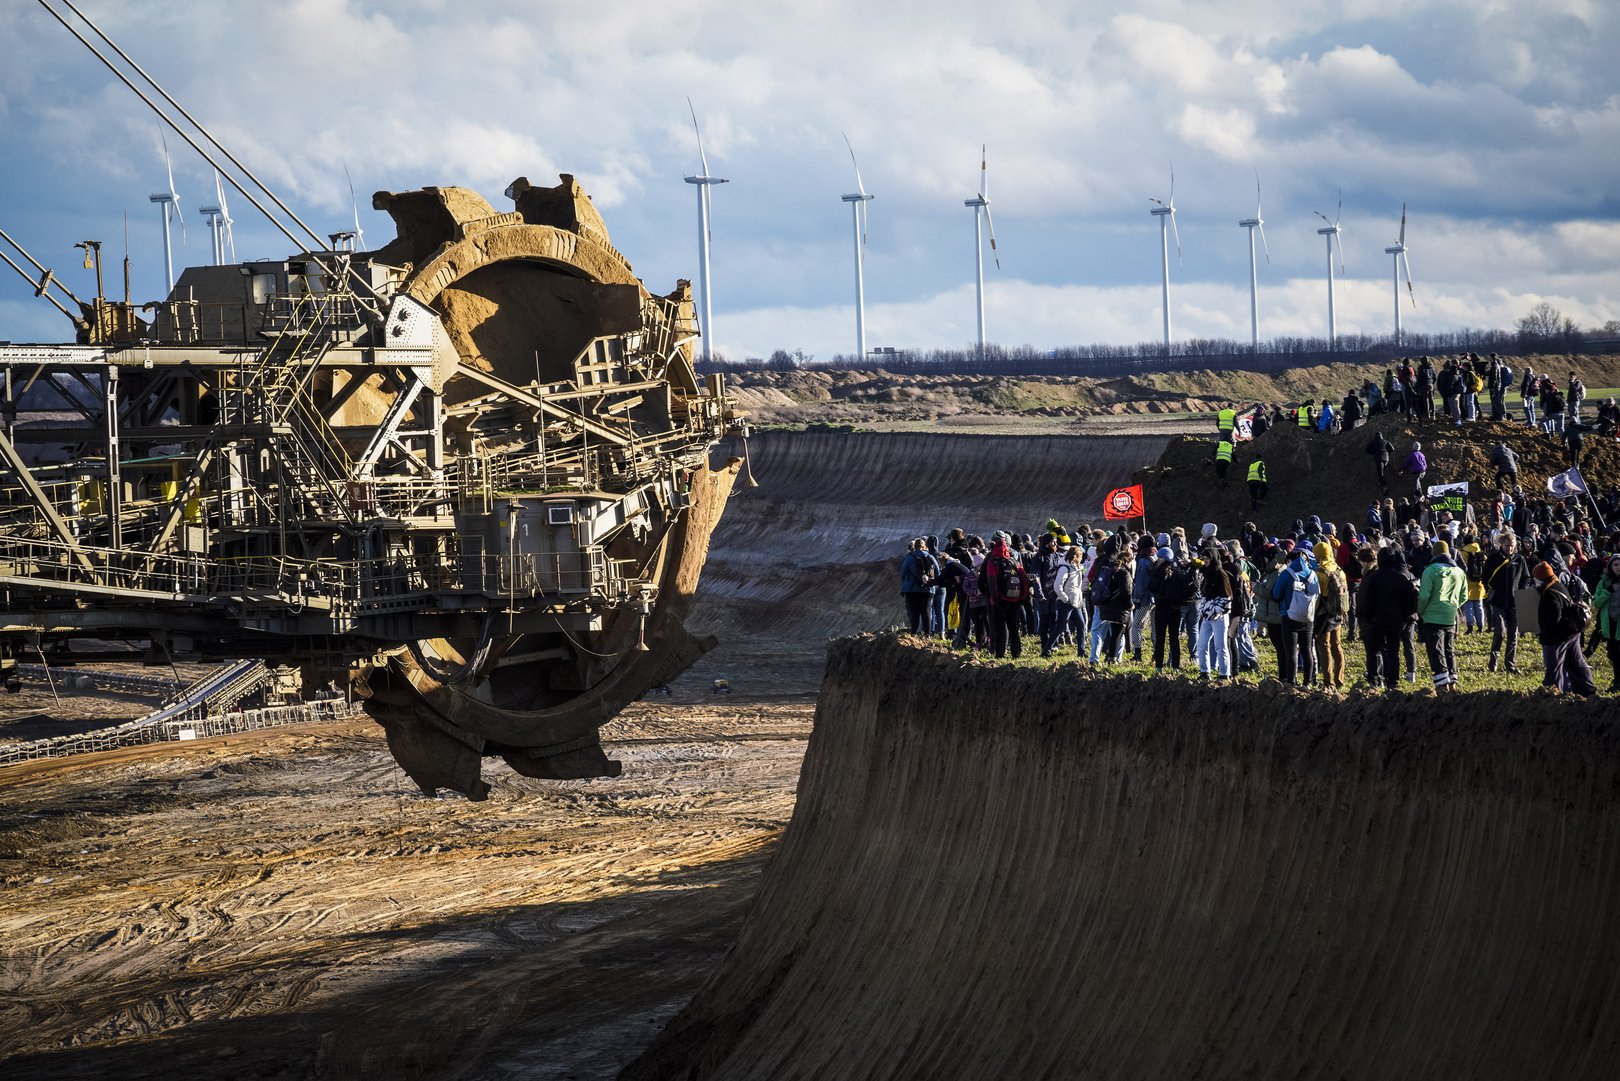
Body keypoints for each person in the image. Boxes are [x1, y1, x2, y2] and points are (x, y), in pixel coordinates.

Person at [1357, 546, 1418, 688]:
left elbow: (1367, 601)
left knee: (1374, 650)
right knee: (1393, 652)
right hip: (1396, 621)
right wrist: (1404, 616)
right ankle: (1392, 681)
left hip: (1377, 621)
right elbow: (1410, 600)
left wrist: (1369, 617)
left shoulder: (1373, 578)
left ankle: (1375, 679)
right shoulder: (1400, 578)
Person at [1533, 560, 1597, 696]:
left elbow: (1554, 618)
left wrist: (1543, 631)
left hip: (1557, 638)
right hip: (1572, 633)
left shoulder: (1549, 594)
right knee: (1576, 663)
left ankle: (1552, 694)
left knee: (1554, 667)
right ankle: (1587, 690)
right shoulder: (1558, 585)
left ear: (1541, 578)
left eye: (1536, 578)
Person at [1416, 539, 1467, 692]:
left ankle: (1441, 683)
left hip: (1432, 616)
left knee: (1436, 650)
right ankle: (1452, 682)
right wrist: (1453, 606)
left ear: (1434, 553)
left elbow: (1424, 595)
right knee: (1449, 649)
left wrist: (1420, 610)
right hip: (1451, 616)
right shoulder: (1459, 572)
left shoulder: (1430, 571)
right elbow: (1464, 595)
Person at [1272, 546, 1320, 686]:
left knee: (1291, 651)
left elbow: (1276, 594)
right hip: (1308, 616)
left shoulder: (1287, 574)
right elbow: (1316, 594)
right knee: (1307, 649)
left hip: (1289, 615)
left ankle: (1291, 681)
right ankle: (1308, 681)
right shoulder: (1312, 574)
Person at [1148, 547, 1194, 673]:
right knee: (1174, 638)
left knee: (1160, 638)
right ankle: (1175, 666)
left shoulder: (1158, 571)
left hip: (1162, 608)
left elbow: (1151, 587)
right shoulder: (1178, 572)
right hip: (1176, 609)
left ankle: (1158, 666)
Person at [982, 533, 1028, 659]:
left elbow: (991, 581)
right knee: (1013, 627)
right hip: (1014, 599)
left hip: (1000, 600)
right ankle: (1016, 652)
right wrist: (1022, 598)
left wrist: (995, 599)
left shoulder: (993, 560)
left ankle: (1000, 654)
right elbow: (1024, 579)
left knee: (1000, 628)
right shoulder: (1014, 561)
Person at [1312, 540, 1349, 689]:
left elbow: (1316, 597)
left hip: (1324, 614)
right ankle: (1340, 679)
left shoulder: (1320, 573)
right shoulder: (1339, 570)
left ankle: (1329, 682)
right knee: (1337, 646)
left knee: (1324, 647)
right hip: (1338, 613)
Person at [1194, 553, 1233, 679]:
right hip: (1207, 615)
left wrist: (1215, 610)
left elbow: (1227, 597)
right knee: (1201, 644)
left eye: (1207, 559)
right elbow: (1204, 594)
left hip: (1219, 617)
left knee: (1220, 646)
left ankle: (1224, 673)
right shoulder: (1207, 574)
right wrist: (1205, 610)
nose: (1204, 561)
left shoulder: (1221, 575)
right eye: (1204, 558)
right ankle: (1204, 671)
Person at [1043, 545, 1085, 657]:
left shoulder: (1077, 568)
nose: (1082, 558)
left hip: (1075, 602)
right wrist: (1065, 598)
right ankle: (1046, 650)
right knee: (1060, 627)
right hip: (1066, 603)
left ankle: (1081, 652)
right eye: (1080, 555)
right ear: (1075, 556)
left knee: (1081, 626)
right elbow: (1057, 586)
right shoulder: (1064, 568)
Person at [899, 537, 938, 634]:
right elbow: (937, 571)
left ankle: (913, 633)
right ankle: (928, 634)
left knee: (914, 612)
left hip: (912, 589)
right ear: (924, 546)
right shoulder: (930, 557)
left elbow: (903, 573)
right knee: (926, 612)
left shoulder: (910, 558)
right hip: (928, 589)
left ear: (914, 547)